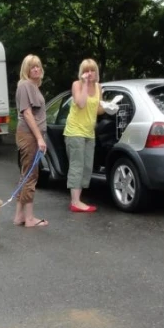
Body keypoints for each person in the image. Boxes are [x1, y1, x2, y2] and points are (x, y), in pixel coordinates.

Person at [63, 58, 116, 213]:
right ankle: (75, 202)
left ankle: (78, 199)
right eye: (86, 70)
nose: (89, 73)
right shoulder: (77, 85)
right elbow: (81, 103)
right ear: (82, 73)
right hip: (74, 131)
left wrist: (109, 106)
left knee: (87, 167)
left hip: (89, 131)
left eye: (92, 70)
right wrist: (86, 84)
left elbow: (97, 110)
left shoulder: (99, 87)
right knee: (77, 166)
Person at [13, 54, 49, 228]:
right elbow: (27, 114)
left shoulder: (33, 86)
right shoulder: (25, 85)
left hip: (30, 135)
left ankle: (19, 216)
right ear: (26, 70)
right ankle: (29, 218)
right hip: (29, 135)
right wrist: (40, 138)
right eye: (32, 66)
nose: (36, 69)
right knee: (30, 176)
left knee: (25, 174)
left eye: (38, 66)